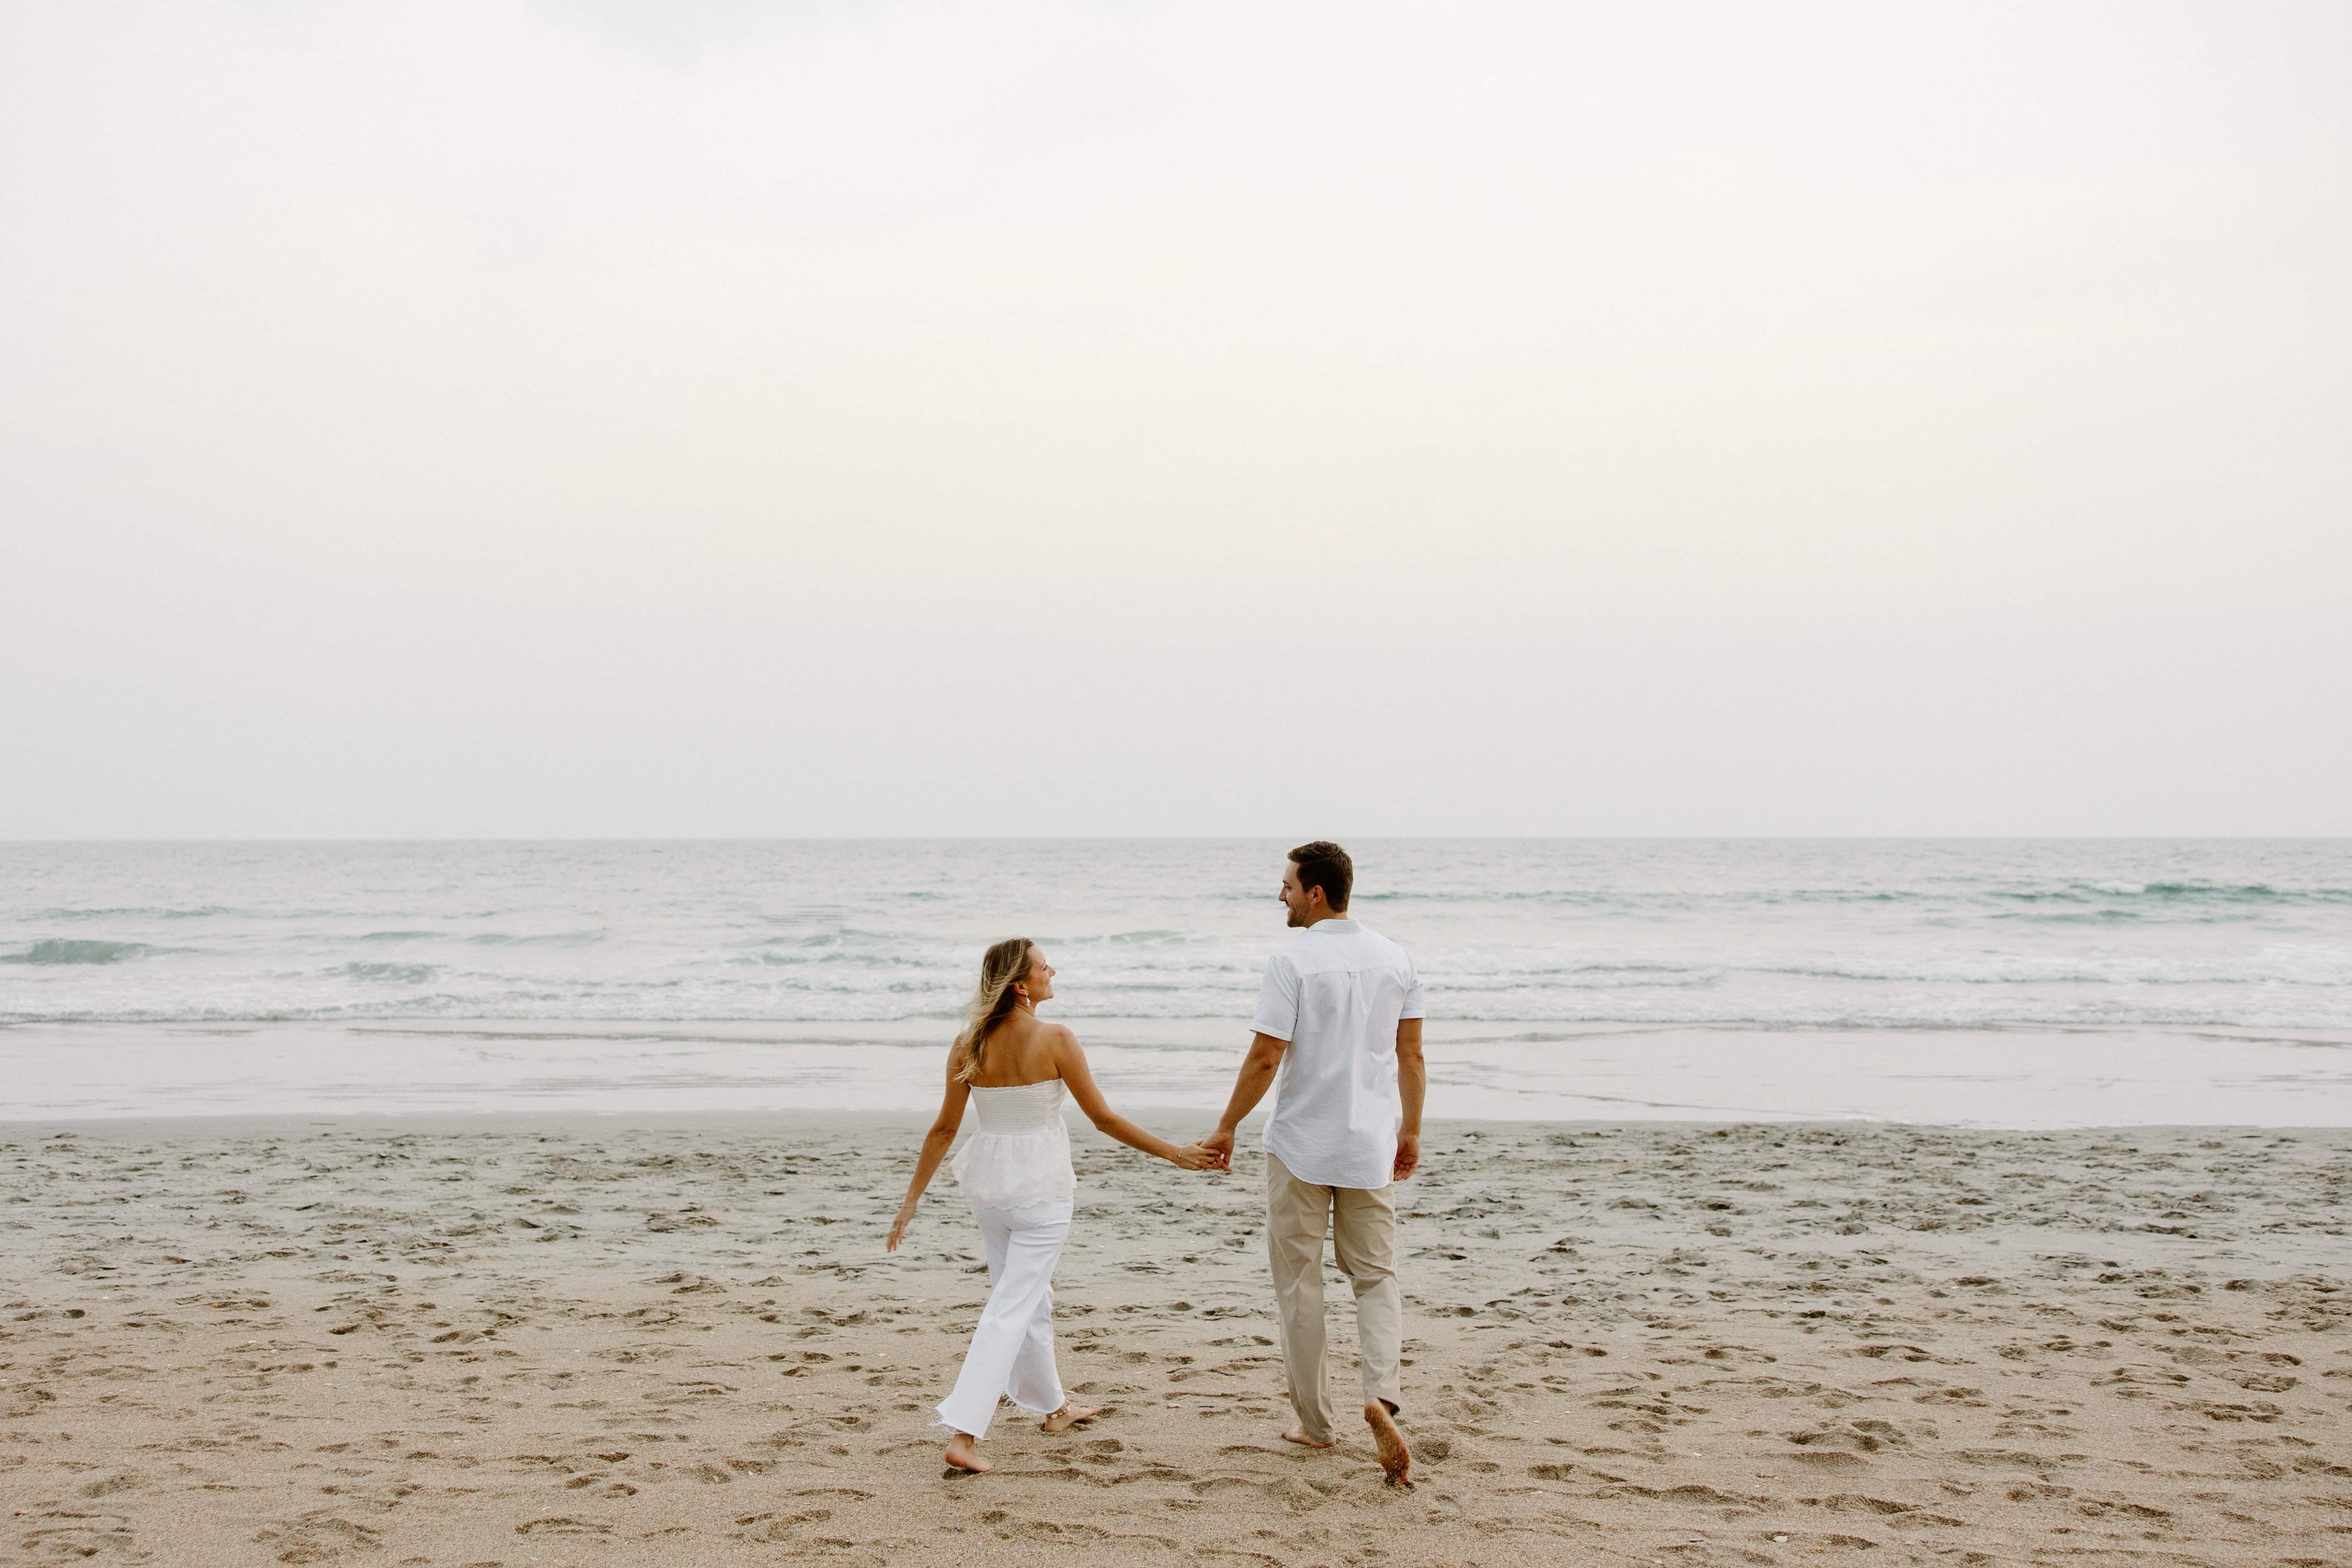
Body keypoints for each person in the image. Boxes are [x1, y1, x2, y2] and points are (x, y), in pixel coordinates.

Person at [887, 937, 1215, 1475]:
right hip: (1041, 1188)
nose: (1052, 971)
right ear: (1021, 985)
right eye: (1044, 967)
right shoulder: (1056, 1038)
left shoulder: (967, 1042)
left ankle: (1054, 1408)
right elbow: (1104, 1120)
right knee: (1011, 1308)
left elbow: (945, 1128)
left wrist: (911, 1201)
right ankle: (966, 1433)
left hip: (990, 1187)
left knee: (1026, 1297)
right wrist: (1175, 1153)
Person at [1199, 841, 1425, 1487]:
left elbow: (1267, 1056)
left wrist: (1226, 1125)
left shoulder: (1291, 960)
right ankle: (1381, 1397)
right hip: (1368, 1144)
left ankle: (1316, 1424)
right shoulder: (1395, 957)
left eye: (1287, 886)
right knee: (1375, 1276)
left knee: (1300, 1283)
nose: (1281, 896)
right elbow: (1410, 1056)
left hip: (1300, 1144)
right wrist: (1408, 1129)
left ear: (1315, 892)